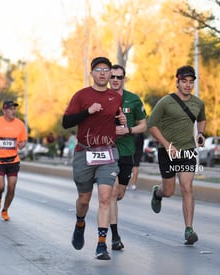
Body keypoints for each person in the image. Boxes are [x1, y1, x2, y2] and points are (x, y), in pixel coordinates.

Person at [62, 56, 126, 260]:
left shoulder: (115, 97)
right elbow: (66, 122)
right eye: (98, 69)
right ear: (92, 73)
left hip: (107, 152)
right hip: (84, 152)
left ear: (110, 74)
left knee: (106, 197)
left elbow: (112, 121)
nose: (102, 73)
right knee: (84, 199)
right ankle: (80, 223)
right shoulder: (81, 96)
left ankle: (101, 245)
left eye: (106, 70)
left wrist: (121, 120)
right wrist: (86, 112)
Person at [148, 65, 206, 245]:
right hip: (167, 152)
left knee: (187, 187)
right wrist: (166, 145)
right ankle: (158, 193)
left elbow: (202, 119)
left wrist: (201, 134)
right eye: (184, 81)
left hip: (187, 151)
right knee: (169, 191)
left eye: (191, 82)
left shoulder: (198, 103)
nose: (188, 85)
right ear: (177, 82)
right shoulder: (166, 102)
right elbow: (152, 125)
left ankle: (189, 229)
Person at [109, 64, 147, 251]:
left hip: (126, 152)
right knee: (113, 192)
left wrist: (128, 130)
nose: (115, 80)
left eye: (119, 77)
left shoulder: (133, 100)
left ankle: (108, 208)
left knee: (119, 194)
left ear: (124, 78)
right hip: (108, 151)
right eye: (113, 77)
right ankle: (115, 236)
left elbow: (144, 126)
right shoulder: (102, 98)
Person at [0, 100, 27, 221]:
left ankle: (5, 210)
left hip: (13, 160)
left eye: (14, 109)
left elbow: (23, 141)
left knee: (12, 187)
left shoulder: (20, 124)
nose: (13, 111)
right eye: (10, 109)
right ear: (4, 111)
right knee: (0, 186)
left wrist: (22, 144)